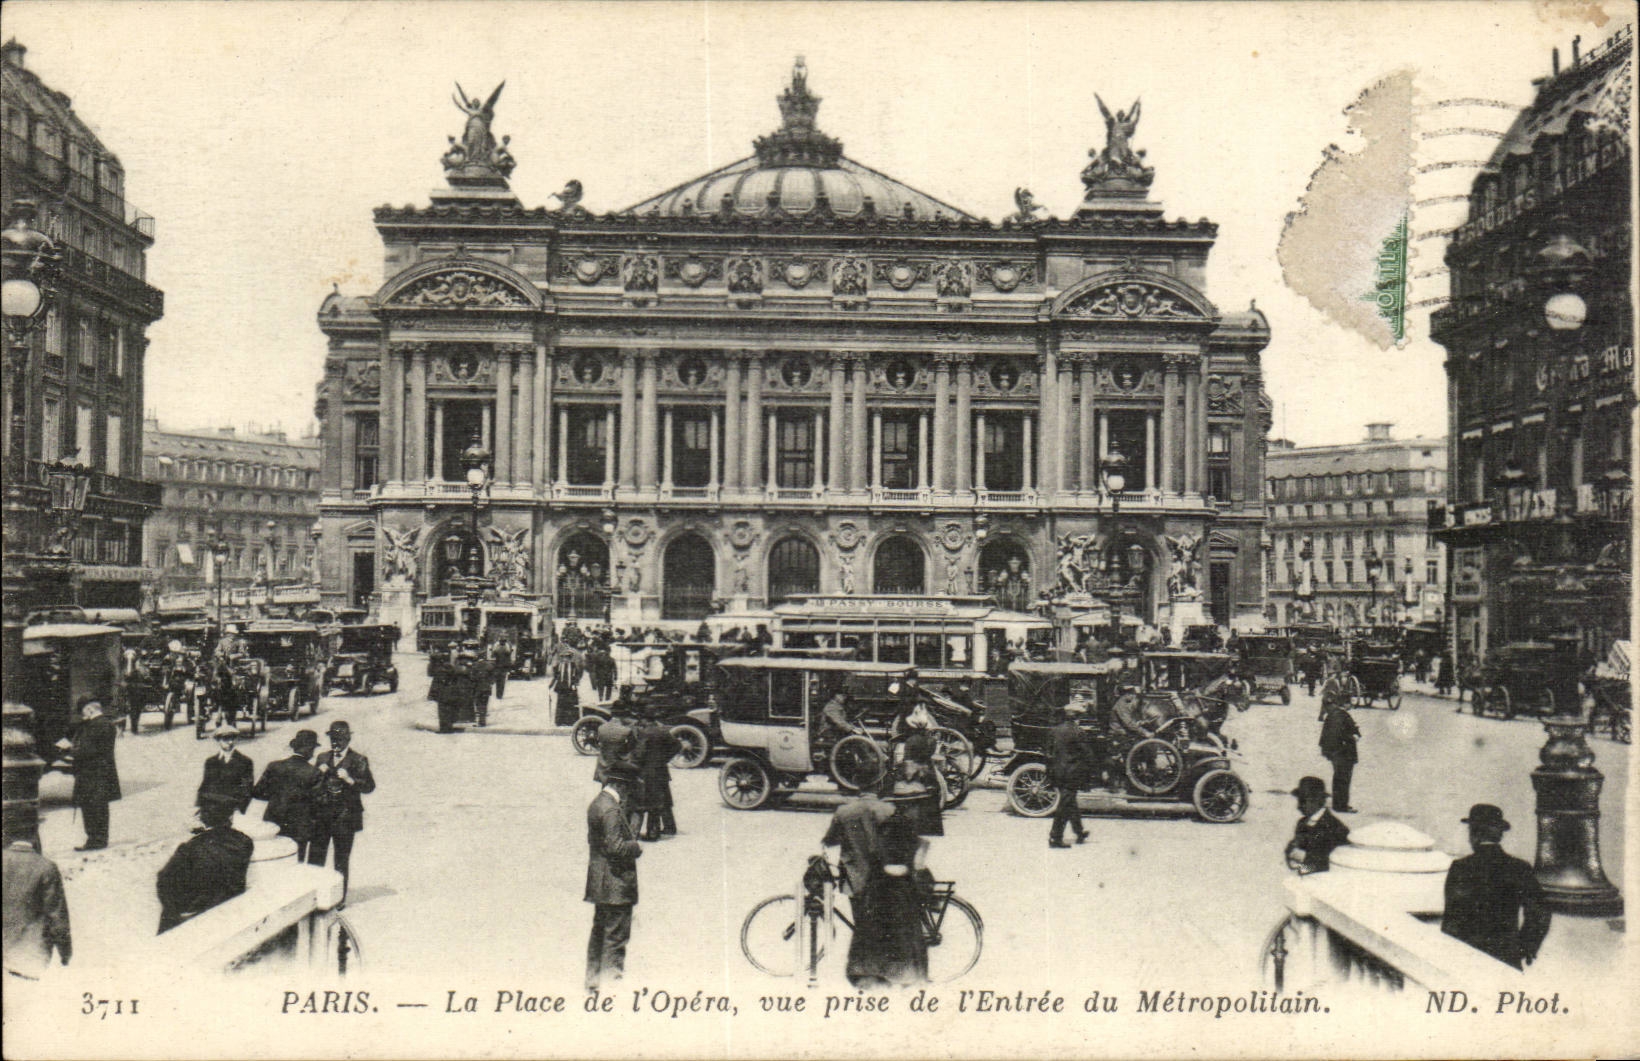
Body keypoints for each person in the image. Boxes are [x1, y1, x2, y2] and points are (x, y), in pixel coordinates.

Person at [1441, 804, 1551, 969]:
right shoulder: (1519, 867)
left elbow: (1451, 918)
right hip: (1506, 957)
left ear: (1473, 834)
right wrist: (1524, 946)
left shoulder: (1461, 867)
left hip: (1467, 960)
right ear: (1499, 835)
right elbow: (1540, 912)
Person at [821, 778, 897, 990]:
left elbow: (830, 840)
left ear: (858, 786)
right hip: (883, 877)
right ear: (878, 786)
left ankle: (866, 973)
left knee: (862, 922)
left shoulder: (844, 812)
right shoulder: (888, 810)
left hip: (855, 877)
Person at [585, 761, 643, 991]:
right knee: (615, 939)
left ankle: (592, 982)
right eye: (629, 789)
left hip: (600, 884)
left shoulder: (598, 804)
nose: (630, 794)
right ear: (621, 786)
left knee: (599, 934)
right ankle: (611, 988)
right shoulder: (611, 810)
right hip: (616, 885)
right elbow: (616, 847)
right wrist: (635, 847)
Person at [156, 795, 253, 933]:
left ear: (202, 819)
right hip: (228, 906)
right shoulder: (245, 841)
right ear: (230, 817)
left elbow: (164, 882)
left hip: (197, 912)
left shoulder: (191, 848)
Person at [307, 720, 375, 905]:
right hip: (322, 816)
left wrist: (350, 779)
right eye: (332, 738)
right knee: (316, 857)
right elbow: (311, 785)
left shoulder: (359, 760)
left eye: (340, 739)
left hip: (346, 817)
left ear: (348, 739)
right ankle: (313, 897)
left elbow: (369, 786)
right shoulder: (322, 758)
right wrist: (317, 774)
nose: (335, 742)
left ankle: (339, 899)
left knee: (341, 859)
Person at [3, 822, 72, 978]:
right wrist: (65, 951)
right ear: (35, 836)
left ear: (8, 836)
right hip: (31, 954)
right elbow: (56, 915)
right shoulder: (46, 867)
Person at [252, 729, 320, 861]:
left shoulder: (274, 766)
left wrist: (277, 796)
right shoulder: (314, 772)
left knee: (274, 861)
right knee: (294, 865)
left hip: (274, 824)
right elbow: (318, 801)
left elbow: (258, 792)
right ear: (309, 749)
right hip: (300, 827)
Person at [68, 699, 120, 852]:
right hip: (99, 773)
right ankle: (98, 839)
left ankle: (95, 840)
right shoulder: (105, 724)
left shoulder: (96, 725)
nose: (82, 715)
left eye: (83, 711)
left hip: (92, 773)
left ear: (89, 709)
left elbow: (87, 750)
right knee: (98, 806)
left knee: (92, 806)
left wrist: (69, 750)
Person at [1047, 693, 1096, 848]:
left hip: (1057, 772)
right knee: (1065, 805)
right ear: (1076, 717)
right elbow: (1088, 754)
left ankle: (1079, 831)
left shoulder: (1054, 730)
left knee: (1070, 803)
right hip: (1072, 774)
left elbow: (1048, 752)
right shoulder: (1079, 732)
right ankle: (1055, 837)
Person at [1284, 776, 1350, 874]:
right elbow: (1291, 848)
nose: (1298, 806)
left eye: (1303, 801)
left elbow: (1336, 862)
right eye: (1299, 801)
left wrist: (1303, 857)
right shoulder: (1302, 823)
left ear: (1318, 800)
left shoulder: (1334, 827)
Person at [632, 706, 680, 840]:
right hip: (662, 770)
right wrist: (665, 758)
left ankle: (653, 832)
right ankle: (670, 827)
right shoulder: (663, 731)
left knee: (652, 802)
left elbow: (639, 753)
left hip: (648, 772)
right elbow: (677, 745)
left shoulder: (644, 733)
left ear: (644, 719)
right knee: (665, 799)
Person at [196, 725, 255, 817]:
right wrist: (199, 807)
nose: (230, 742)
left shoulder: (245, 761)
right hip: (211, 809)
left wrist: (239, 810)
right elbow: (205, 786)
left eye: (233, 738)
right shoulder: (211, 761)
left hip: (232, 809)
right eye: (226, 739)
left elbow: (247, 789)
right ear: (218, 740)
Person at [1318, 699, 1360, 813]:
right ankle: (1341, 805)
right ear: (1345, 704)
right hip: (1344, 752)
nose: (1350, 705)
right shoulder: (1341, 715)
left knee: (1338, 778)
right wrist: (1354, 736)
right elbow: (1342, 734)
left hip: (1335, 753)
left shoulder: (1333, 715)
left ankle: (1338, 804)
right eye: (1349, 703)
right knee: (1343, 779)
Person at [594, 691, 639, 785]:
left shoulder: (601, 728)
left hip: (603, 767)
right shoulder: (626, 731)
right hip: (619, 769)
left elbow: (598, 744)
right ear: (624, 714)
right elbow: (632, 747)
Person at [469, 643, 494, 727]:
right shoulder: (489, 665)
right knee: (484, 704)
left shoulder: (475, 665)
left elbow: (472, 677)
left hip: (478, 688)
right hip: (487, 688)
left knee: (479, 705)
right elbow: (493, 678)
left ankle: (481, 722)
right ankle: (482, 721)